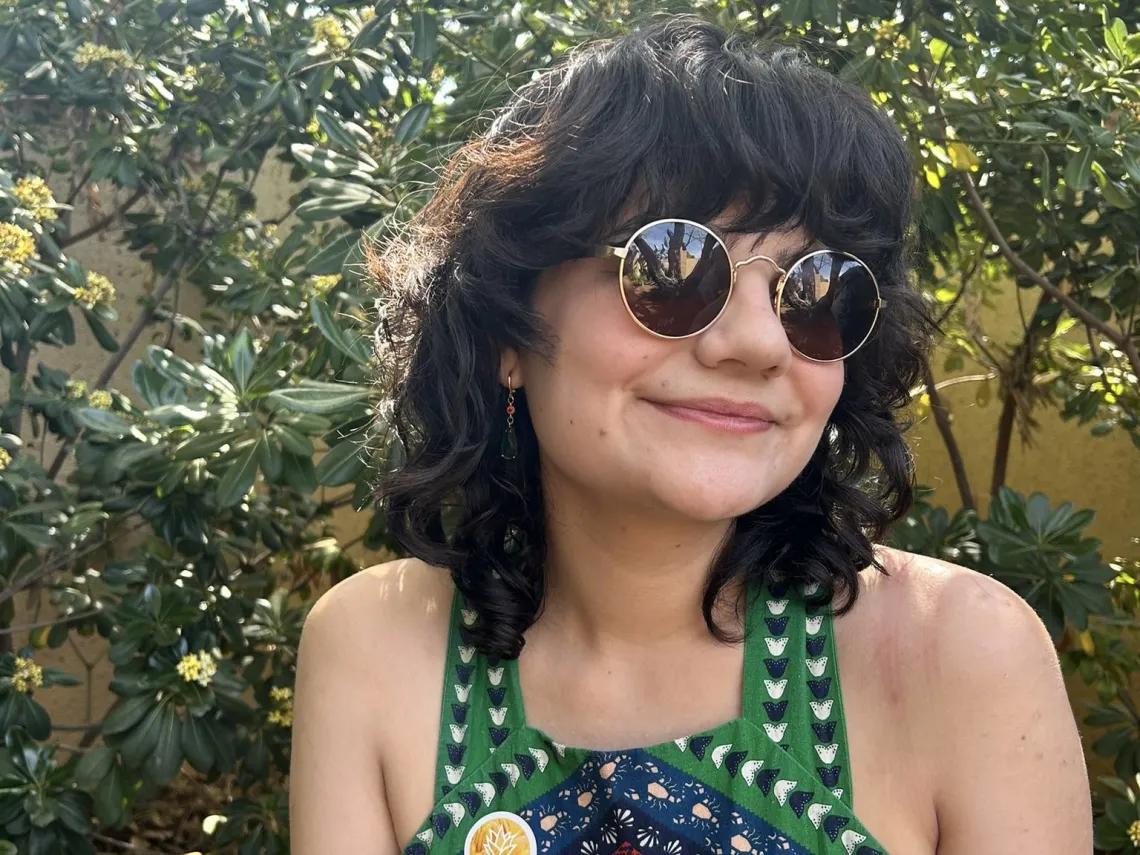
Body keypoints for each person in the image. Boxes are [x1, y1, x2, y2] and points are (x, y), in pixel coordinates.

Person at [289, 15, 1091, 855]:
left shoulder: (958, 656)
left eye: (815, 290)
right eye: (673, 266)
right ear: (507, 328)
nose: (757, 341)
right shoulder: (374, 648)